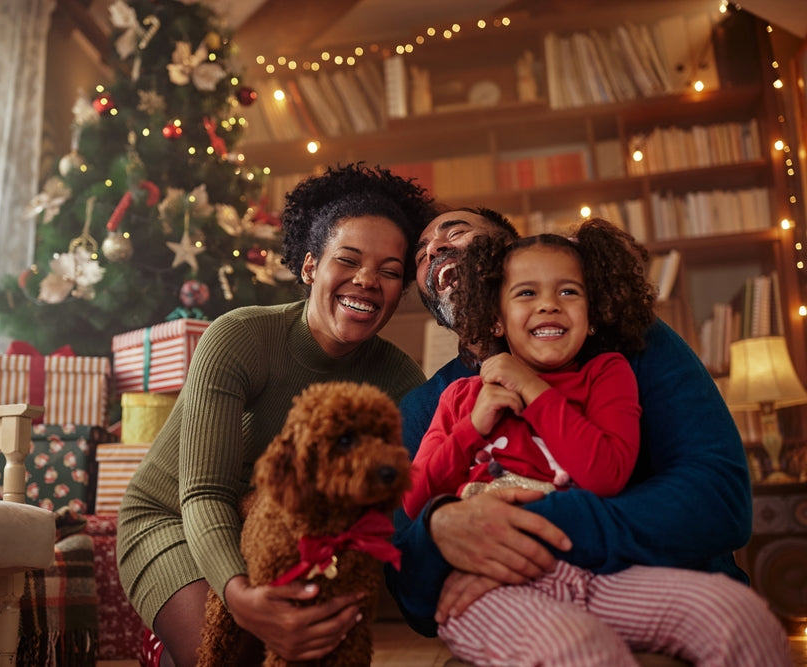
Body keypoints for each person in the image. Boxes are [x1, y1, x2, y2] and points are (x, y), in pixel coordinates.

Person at [386, 207, 792, 665]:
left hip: (648, 584)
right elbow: (409, 580)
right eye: (419, 255)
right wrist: (440, 531)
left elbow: (719, 500)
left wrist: (535, 527)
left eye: (454, 233)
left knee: (741, 619)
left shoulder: (627, 347)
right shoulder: (430, 404)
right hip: (514, 606)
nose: (433, 249)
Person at [116, 163, 436, 667]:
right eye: (347, 260)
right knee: (232, 656)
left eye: (390, 271)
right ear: (310, 267)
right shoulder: (239, 338)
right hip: (173, 519)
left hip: (291, 535)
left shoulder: (401, 383)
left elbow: (404, 503)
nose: (368, 281)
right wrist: (239, 595)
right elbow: (204, 491)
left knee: (313, 646)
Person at [403, 220, 653, 519]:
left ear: (593, 315)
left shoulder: (606, 373)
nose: (548, 305)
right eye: (526, 293)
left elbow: (606, 477)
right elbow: (413, 500)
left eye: (568, 292)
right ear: (495, 319)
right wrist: (472, 428)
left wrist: (532, 388)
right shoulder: (459, 397)